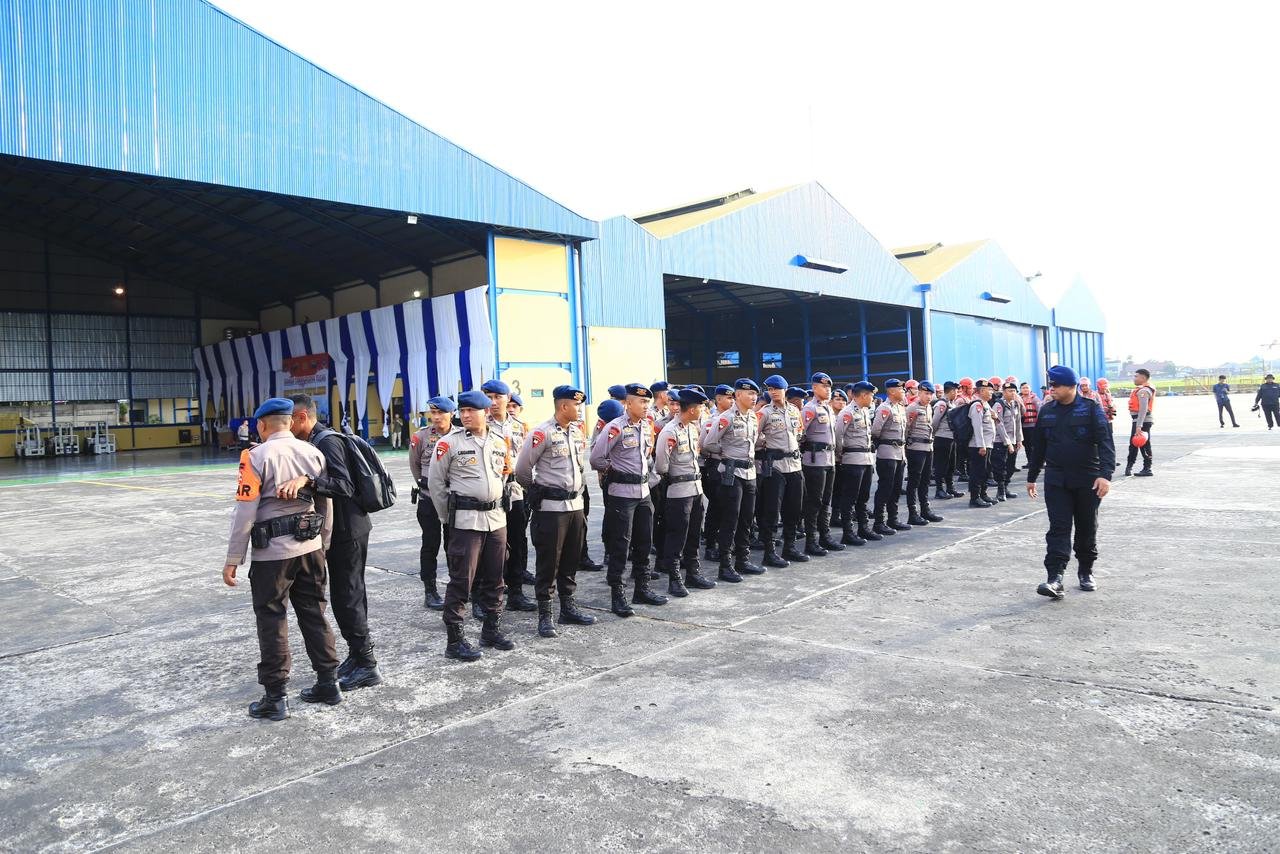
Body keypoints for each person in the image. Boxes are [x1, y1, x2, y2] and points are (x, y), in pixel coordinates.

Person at [222, 397, 339, 722]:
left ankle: (276, 698)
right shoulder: (312, 452)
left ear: (262, 425)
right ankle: (329, 683)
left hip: (272, 556)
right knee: (314, 613)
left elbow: (245, 510)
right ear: (289, 422)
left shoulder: (255, 456)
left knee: (272, 620)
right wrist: (323, 542)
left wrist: (233, 557)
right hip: (310, 548)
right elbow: (325, 503)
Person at [282, 393, 380, 693]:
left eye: (289, 421)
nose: (286, 427)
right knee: (344, 595)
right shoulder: (316, 440)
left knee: (348, 595)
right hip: (343, 529)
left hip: (348, 531)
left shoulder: (326, 442)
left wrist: (308, 481)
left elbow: (343, 485)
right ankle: (357, 655)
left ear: (302, 418)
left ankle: (367, 665)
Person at [428, 390, 514, 661]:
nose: (465, 415)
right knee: (462, 580)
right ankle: (455, 641)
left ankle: (491, 630)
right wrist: (447, 518)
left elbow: (504, 476)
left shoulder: (499, 441)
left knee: (496, 578)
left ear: (485, 412)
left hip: (496, 519)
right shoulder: (449, 443)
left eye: (471, 411)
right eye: (462, 411)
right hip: (466, 521)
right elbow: (436, 484)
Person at [514, 385, 596, 639]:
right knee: (549, 562)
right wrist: (537, 492)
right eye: (577, 405)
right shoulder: (543, 432)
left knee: (571, 559)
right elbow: (522, 470)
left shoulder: (576, 431)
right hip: (551, 509)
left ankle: (568, 608)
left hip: (575, 506)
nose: (580, 409)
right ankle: (545, 614)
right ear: (563, 406)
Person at [1026, 366, 1115, 598]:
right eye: (1051, 385)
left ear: (1071, 386)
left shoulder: (1091, 409)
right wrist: (1032, 477)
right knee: (1058, 528)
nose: (1051, 389)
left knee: (1086, 527)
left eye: (1056, 385)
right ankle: (1055, 578)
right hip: (1056, 480)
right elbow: (1039, 447)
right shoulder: (1047, 411)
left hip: (1087, 480)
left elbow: (1106, 443)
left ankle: (1085, 571)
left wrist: (1105, 475)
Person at [590, 382, 667, 616]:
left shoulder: (647, 425)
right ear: (629, 403)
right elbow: (596, 458)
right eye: (641, 401)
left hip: (643, 493)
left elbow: (647, 456)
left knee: (644, 542)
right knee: (620, 546)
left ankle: (642, 589)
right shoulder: (615, 427)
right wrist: (615, 471)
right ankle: (618, 595)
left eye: (647, 402)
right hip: (622, 494)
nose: (646, 406)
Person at [654, 386, 717, 595]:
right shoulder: (669, 431)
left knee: (693, 534)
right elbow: (661, 465)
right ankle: (675, 579)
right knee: (677, 536)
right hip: (679, 491)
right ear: (691, 409)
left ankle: (693, 574)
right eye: (700, 407)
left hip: (695, 489)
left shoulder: (691, 428)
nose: (702, 410)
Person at [702, 378, 764, 581]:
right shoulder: (726, 418)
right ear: (738, 395)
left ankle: (742, 560)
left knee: (746, 518)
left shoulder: (753, 417)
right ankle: (725, 565)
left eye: (755, 394)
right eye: (750, 394)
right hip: (731, 473)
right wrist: (726, 452)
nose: (754, 398)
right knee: (730, 519)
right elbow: (708, 443)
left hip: (750, 473)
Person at [483, 380, 536, 612]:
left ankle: (516, 592)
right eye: (489, 397)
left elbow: (529, 458)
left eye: (498, 397)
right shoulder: (479, 424)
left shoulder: (521, 426)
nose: (493, 402)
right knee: (490, 544)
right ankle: (485, 594)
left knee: (517, 540)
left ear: (508, 398)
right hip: (490, 490)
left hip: (515, 490)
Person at [409, 396, 456, 610]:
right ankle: (430, 591)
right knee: (430, 545)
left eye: (440, 413)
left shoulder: (460, 435)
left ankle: (457, 587)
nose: (436, 417)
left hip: (453, 498)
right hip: (428, 499)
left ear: (451, 414)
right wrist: (429, 486)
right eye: (433, 413)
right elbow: (415, 466)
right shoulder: (421, 437)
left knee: (454, 545)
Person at [753, 375, 804, 568]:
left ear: (785, 390)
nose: (773, 392)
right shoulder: (764, 412)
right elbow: (753, 437)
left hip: (795, 465)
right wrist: (765, 445)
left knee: (794, 509)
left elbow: (799, 432)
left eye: (776, 388)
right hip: (775, 467)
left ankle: (789, 546)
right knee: (771, 511)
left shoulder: (794, 410)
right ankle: (770, 551)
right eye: (770, 389)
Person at [800, 372, 844, 555]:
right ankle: (811, 541)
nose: (827, 390)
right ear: (814, 387)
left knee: (826, 501)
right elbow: (799, 434)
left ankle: (825, 536)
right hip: (814, 461)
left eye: (829, 387)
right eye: (824, 386)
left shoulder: (828, 409)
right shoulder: (809, 409)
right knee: (814, 502)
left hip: (829, 460)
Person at [834, 381, 880, 543]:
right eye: (871, 395)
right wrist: (840, 456)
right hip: (852, 460)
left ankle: (863, 528)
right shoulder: (847, 412)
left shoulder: (865, 411)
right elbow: (838, 436)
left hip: (866, 459)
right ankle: (848, 533)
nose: (872, 398)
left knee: (863, 497)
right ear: (864, 395)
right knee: (850, 498)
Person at [870, 378, 911, 535]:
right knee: (885, 488)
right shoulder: (884, 408)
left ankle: (893, 519)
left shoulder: (900, 408)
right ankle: (879, 522)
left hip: (900, 453)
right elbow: (875, 431)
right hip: (887, 453)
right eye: (901, 389)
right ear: (892, 391)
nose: (904, 391)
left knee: (896, 488)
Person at [700, 384, 734, 563]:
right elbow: (704, 446)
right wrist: (724, 450)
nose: (732, 401)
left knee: (731, 507)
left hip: (732, 466)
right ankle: (711, 545)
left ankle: (726, 543)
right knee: (716, 506)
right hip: (716, 464)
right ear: (718, 400)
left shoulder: (736, 417)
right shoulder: (710, 421)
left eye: (733, 397)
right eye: (728, 398)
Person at [904, 381, 943, 525]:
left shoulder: (929, 408)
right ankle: (912, 513)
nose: (929, 396)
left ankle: (925, 510)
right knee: (914, 481)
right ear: (919, 393)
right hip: (916, 448)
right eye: (926, 393)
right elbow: (906, 429)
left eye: (931, 394)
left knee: (925, 481)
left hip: (928, 447)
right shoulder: (912, 408)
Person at [992, 382, 1025, 501]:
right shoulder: (998, 405)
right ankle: (1000, 491)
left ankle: (1006, 488)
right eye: (1010, 391)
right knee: (1000, 467)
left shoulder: (1015, 404)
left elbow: (1018, 423)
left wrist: (1019, 439)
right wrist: (1008, 442)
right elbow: (999, 424)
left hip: (1013, 440)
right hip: (1000, 441)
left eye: (1014, 391)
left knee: (1011, 466)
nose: (1013, 393)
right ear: (1004, 392)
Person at [967, 380, 997, 507]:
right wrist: (981, 445)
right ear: (982, 390)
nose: (991, 392)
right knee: (977, 471)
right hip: (979, 445)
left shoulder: (986, 405)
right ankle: (975, 498)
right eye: (989, 390)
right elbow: (977, 426)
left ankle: (983, 494)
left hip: (987, 443)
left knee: (985, 471)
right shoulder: (977, 405)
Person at [932, 382, 963, 500]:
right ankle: (939, 490)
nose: (957, 393)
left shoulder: (951, 404)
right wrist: (934, 435)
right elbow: (935, 422)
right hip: (942, 438)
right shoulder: (942, 404)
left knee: (951, 465)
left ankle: (950, 488)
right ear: (951, 391)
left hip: (951, 438)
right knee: (941, 465)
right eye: (956, 391)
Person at [1125, 368, 1156, 477]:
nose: (1134, 378)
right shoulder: (1142, 389)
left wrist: (1139, 425)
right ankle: (1130, 467)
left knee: (1141, 443)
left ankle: (1146, 468)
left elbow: (1143, 409)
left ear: (1143, 378)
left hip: (1142, 421)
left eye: (1136, 376)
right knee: (1137, 444)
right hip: (1140, 421)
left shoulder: (1144, 391)